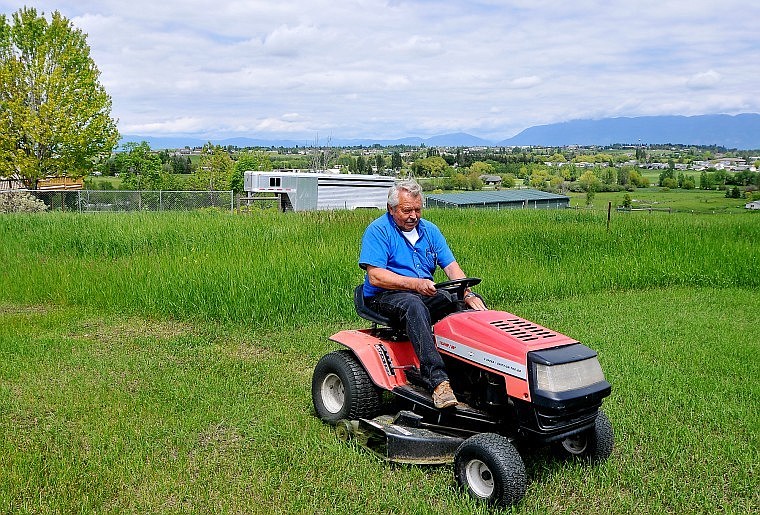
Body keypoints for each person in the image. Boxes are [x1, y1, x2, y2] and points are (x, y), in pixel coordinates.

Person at [358, 179, 486, 409]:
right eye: (407, 210)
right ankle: (438, 382)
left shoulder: (430, 230)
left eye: (417, 209)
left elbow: (451, 267)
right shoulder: (378, 231)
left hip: (422, 291)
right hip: (384, 295)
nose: (413, 216)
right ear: (391, 209)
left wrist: (467, 294)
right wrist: (414, 284)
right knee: (413, 305)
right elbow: (376, 277)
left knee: (463, 306)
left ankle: (475, 372)